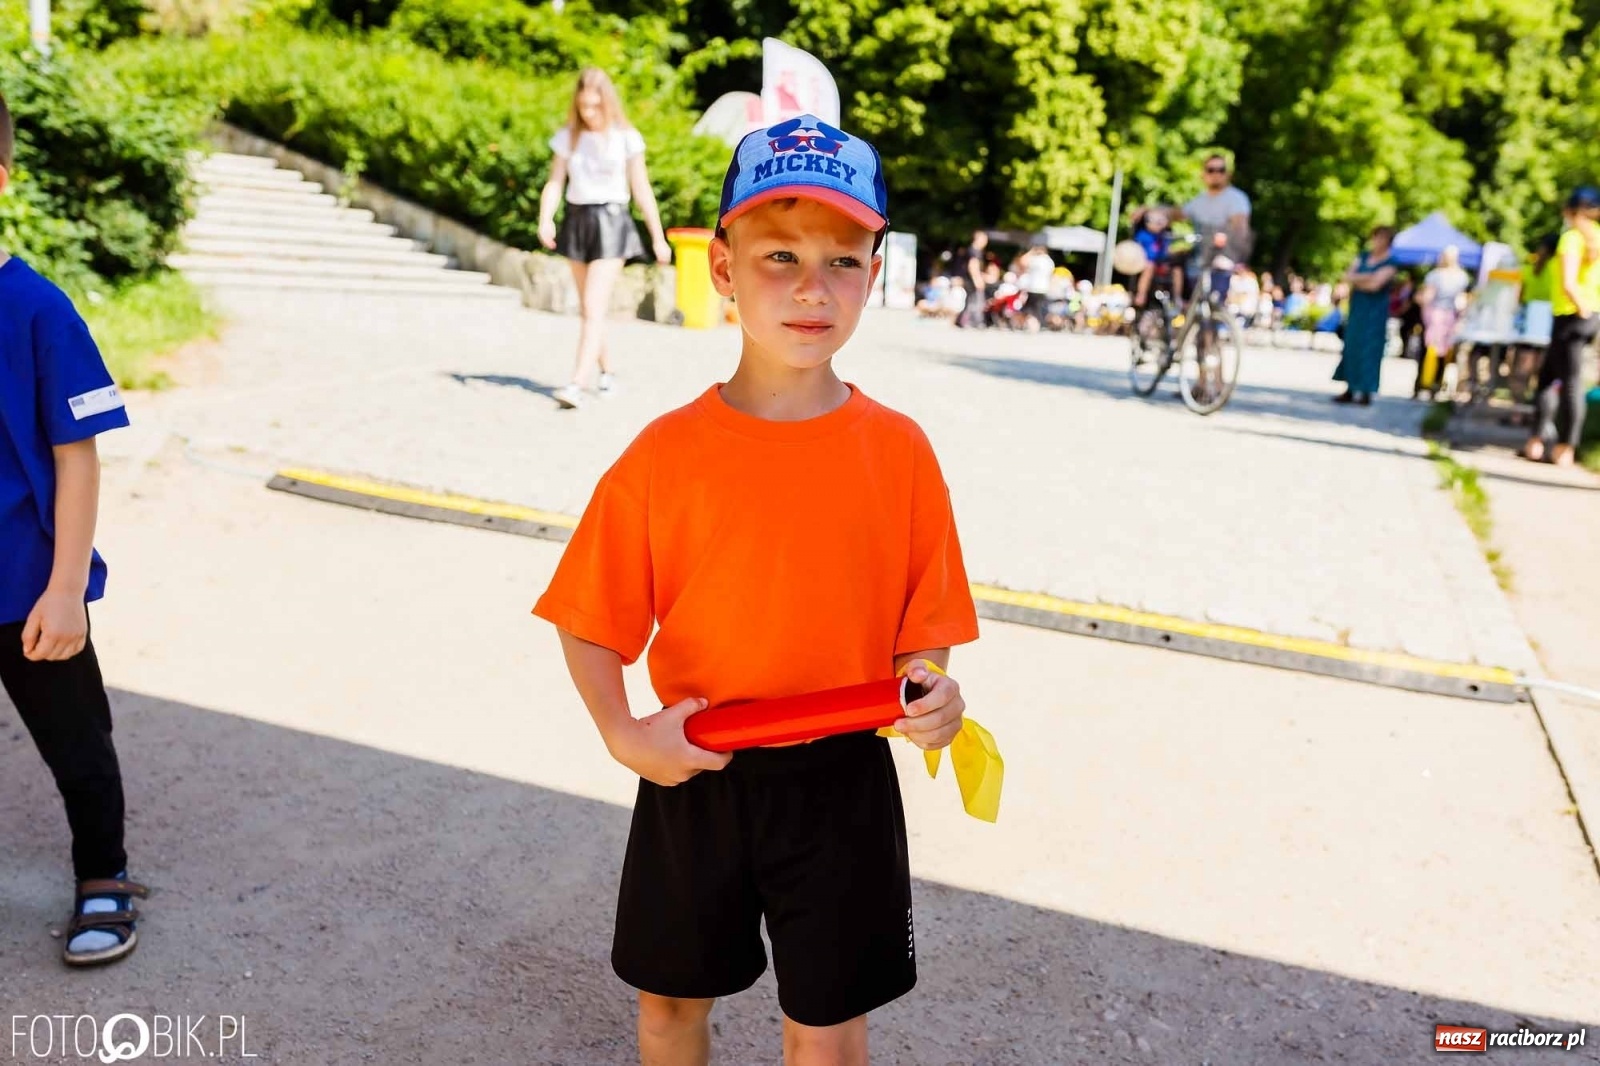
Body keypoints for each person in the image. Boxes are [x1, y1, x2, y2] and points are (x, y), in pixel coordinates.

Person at [532, 114, 980, 1064]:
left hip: (842, 784)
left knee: (825, 1028)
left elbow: (923, 631)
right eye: (780, 255)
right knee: (667, 1010)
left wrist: (928, 690)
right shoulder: (666, 454)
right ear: (725, 269)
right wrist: (624, 734)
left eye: (843, 259)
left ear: (875, 270)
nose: (812, 288)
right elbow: (588, 618)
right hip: (699, 767)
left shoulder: (898, 452)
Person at [0, 93, 149, 967]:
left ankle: (105, 876)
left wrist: (65, 591)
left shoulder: (38, 309)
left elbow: (77, 458)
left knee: (78, 749)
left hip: (26, 589)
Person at [537, 68, 671, 409]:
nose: (590, 112)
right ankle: (607, 371)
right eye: (584, 106)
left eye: (596, 105)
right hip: (578, 220)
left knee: (593, 308)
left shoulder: (626, 138)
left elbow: (641, 188)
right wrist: (545, 219)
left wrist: (658, 237)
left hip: (612, 222)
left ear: (607, 102)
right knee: (589, 309)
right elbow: (555, 182)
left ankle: (576, 384)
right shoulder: (568, 137)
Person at [1523, 186, 1600, 466]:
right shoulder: (1597, 238)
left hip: (1571, 316)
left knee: (1568, 383)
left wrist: (1580, 308)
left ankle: (1564, 448)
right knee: (1550, 379)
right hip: (1588, 317)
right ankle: (1537, 441)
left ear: (1570, 210)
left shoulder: (1571, 238)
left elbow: (1568, 282)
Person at [1332, 226, 1399, 405]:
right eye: (1376, 237)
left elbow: (1375, 285)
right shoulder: (1363, 256)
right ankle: (1350, 386)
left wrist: (1359, 278)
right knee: (1352, 345)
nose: (1378, 242)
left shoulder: (1391, 262)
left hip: (1375, 312)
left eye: (1382, 238)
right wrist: (1368, 277)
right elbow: (1348, 276)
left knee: (1370, 348)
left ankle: (1366, 389)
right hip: (1358, 309)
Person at [1415, 245, 1471, 397]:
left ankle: (1421, 384)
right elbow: (1462, 300)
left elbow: (1427, 297)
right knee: (1442, 353)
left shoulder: (1436, 275)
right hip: (1450, 316)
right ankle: (1435, 384)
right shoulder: (1461, 276)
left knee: (1428, 351)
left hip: (1435, 315)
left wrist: (1423, 309)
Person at [1130, 208, 1182, 309]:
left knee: (1177, 269)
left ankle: (1177, 297)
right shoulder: (1142, 235)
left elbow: (1168, 250)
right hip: (1147, 263)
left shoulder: (1164, 236)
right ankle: (1141, 294)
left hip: (1161, 263)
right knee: (1149, 266)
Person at [955, 230, 989, 328]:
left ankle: (962, 320)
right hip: (971, 280)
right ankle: (971, 321)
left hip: (968, 279)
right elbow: (972, 265)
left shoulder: (971, 250)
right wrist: (977, 279)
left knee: (970, 300)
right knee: (975, 300)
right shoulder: (975, 251)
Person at [1019, 244, 1055, 330]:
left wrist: (1030, 252)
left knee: (1029, 309)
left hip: (1034, 288)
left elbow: (1022, 261)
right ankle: (1039, 325)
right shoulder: (1049, 261)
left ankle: (1034, 325)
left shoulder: (1036, 260)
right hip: (1044, 288)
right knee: (1037, 308)